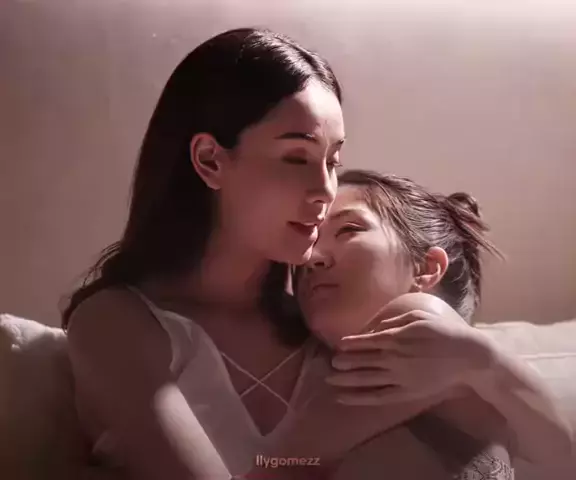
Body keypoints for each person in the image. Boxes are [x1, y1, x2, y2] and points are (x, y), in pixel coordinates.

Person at [63, 27, 569, 480]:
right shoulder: (119, 323)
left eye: (332, 160)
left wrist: (486, 363)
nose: (326, 189)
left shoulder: (337, 321)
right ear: (211, 160)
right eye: (296, 157)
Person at [284, 170, 572, 479]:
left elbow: (284, 461)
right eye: (310, 240)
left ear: (425, 268)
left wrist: (485, 362)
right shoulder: (488, 389)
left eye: (348, 229)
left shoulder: (420, 315)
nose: (311, 256)